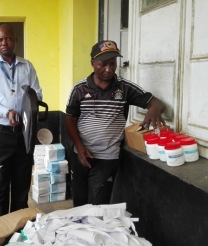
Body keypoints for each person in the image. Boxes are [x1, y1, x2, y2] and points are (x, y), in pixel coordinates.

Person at [65, 40, 165, 207]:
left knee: (98, 205)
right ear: (92, 64)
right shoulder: (79, 89)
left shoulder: (124, 88)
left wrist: (154, 109)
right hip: (81, 154)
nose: (108, 69)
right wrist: (79, 147)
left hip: (107, 157)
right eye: (102, 64)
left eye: (112, 64)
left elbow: (156, 103)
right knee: (80, 203)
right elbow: (70, 120)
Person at [0, 24, 43, 219]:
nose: (4, 43)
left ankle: (18, 233)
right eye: (0, 40)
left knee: (22, 185)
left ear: (15, 41)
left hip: (23, 134)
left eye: (8, 39)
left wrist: (24, 110)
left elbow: (37, 93)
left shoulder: (27, 66)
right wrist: (6, 112)